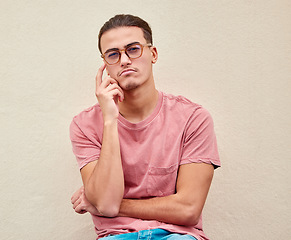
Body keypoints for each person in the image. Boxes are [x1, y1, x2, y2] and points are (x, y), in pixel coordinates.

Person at [70, 14, 220, 240]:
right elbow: (106, 204)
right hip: (115, 236)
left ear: (153, 54)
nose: (124, 60)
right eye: (113, 54)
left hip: (177, 235)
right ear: (105, 65)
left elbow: (188, 210)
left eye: (133, 49)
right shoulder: (84, 125)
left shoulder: (193, 118)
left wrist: (111, 205)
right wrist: (110, 120)